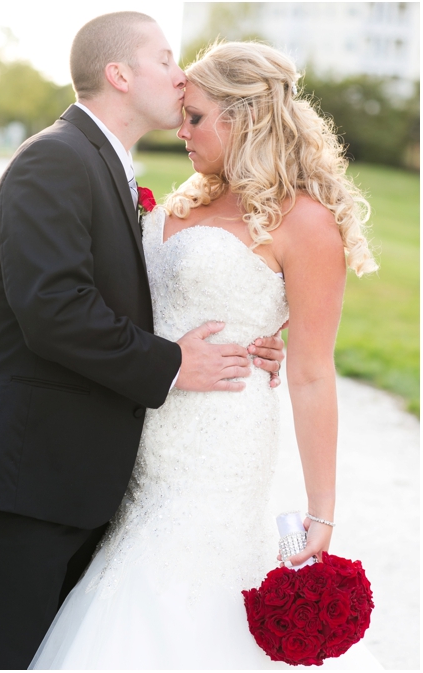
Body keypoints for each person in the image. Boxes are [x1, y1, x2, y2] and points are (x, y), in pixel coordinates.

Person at [29, 41, 382, 668]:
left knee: (172, 590)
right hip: (140, 430)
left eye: (195, 117)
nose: (180, 129)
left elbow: (310, 372)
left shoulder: (306, 223)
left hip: (218, 443)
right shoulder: (191, 196)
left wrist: (321, 513)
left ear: (244, 117)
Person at [0, 12, 285, 669]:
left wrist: (253, 332)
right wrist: (176, 362)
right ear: (119, 74)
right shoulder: (55, 159)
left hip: (81, 478)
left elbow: (131, 294)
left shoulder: (102, 164)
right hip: (32, 476)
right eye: (168, 60)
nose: (181, 76)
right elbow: (54, 307)